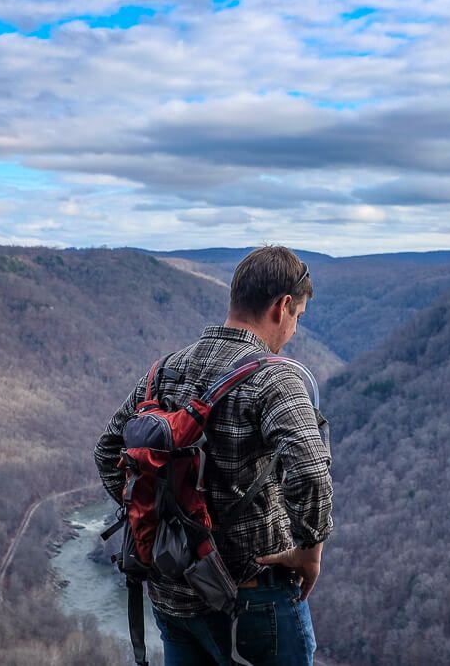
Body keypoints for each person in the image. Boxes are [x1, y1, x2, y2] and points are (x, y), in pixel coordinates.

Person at [94, 245, 333, 666]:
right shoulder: (275, 377)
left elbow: (107, 450)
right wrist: (309, 550)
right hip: (253, 595)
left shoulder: (164, 370)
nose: (293, 329)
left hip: (173, 595)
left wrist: (159, 524)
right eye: (298, 316)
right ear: (282, 307)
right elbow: (310, 472)